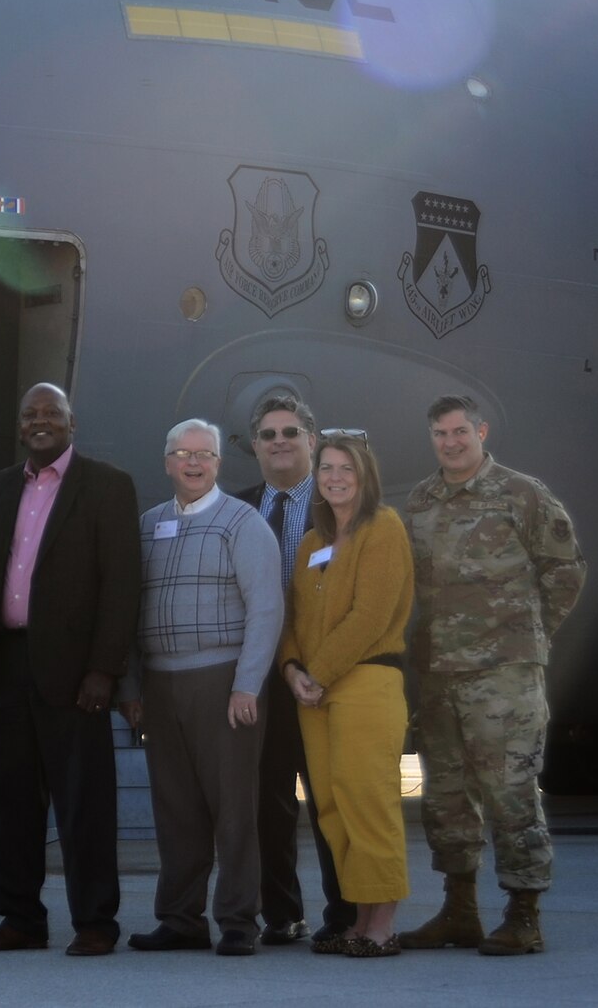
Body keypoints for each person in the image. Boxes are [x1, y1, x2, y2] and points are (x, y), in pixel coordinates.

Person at [400, 396, 586, 956]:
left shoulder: (522, 493)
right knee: (447, 797)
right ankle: (459, 911)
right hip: (438, 675)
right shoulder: (421, 500)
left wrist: (527, 634)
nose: (450, 442)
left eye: (459, 431)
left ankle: (523, 915)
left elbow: (565, 569)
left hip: (504, 675)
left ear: (480, 430)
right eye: (439, 433)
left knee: (510, 792)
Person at [0, 383, 140, 957]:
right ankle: (20, 919)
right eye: (30, 414)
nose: (40, 421)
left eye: (51, 413)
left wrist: (104, 670)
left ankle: (95, 923)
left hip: (75, 674)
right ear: (20, 427)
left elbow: (121, 586)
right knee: (10, 803)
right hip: (10, 665)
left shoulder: (108, 486)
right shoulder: (0, 487)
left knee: (84, 803)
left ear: (72, 422)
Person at [118, 420, 282, 956]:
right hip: (161, 687)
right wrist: (134, 686)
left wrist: (247, 685)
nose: (194, 462)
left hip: (223, 681)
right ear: (166, 462)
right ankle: (180, 918)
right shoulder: (147, 525)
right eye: (183, 453)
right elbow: (129, 613)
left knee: (234, 807)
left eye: (204, 454)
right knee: (175, 809)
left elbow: (266, 608)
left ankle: (238, 919)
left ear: (218, 463)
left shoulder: (242, 522)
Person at [278, 432, 412, 957]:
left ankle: (383, 927)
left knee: (368, 800)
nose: (335, 477)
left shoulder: (385, 528)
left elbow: (370, 616)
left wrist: (320, 673)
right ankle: (357, 921)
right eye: (327, 468)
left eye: (346, 469)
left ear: (364, 476)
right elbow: (291, 617)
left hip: (366, 682)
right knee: (332, 808)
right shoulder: (313, 542)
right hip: (313, 691)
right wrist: (292, 670)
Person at [232, 394, 353, 946]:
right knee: (267, 804)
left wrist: (317, 667)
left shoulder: (341, 509)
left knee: (330, 798)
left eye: (290, 432)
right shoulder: (236, 510)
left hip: (323, 679)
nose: (279, 441)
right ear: (254, 446)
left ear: (312, 438)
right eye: (268, 434)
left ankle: (346, 914)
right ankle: (282, 913)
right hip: (260, 679)